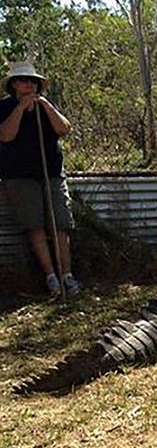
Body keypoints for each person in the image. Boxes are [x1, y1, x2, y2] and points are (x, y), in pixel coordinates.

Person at [0, 61, 80, 298]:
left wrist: (45, 105)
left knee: (60, 223)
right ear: (14, 84)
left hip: (52, 173)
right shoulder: (4, 107)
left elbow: (64, 129)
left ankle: (67, 275)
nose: (29, 84)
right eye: (24, 80)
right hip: (20, 176)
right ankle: (51, 277)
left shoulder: (46, 105)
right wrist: (21, 107)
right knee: (34, 225)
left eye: (33, 81)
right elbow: (6, 135)